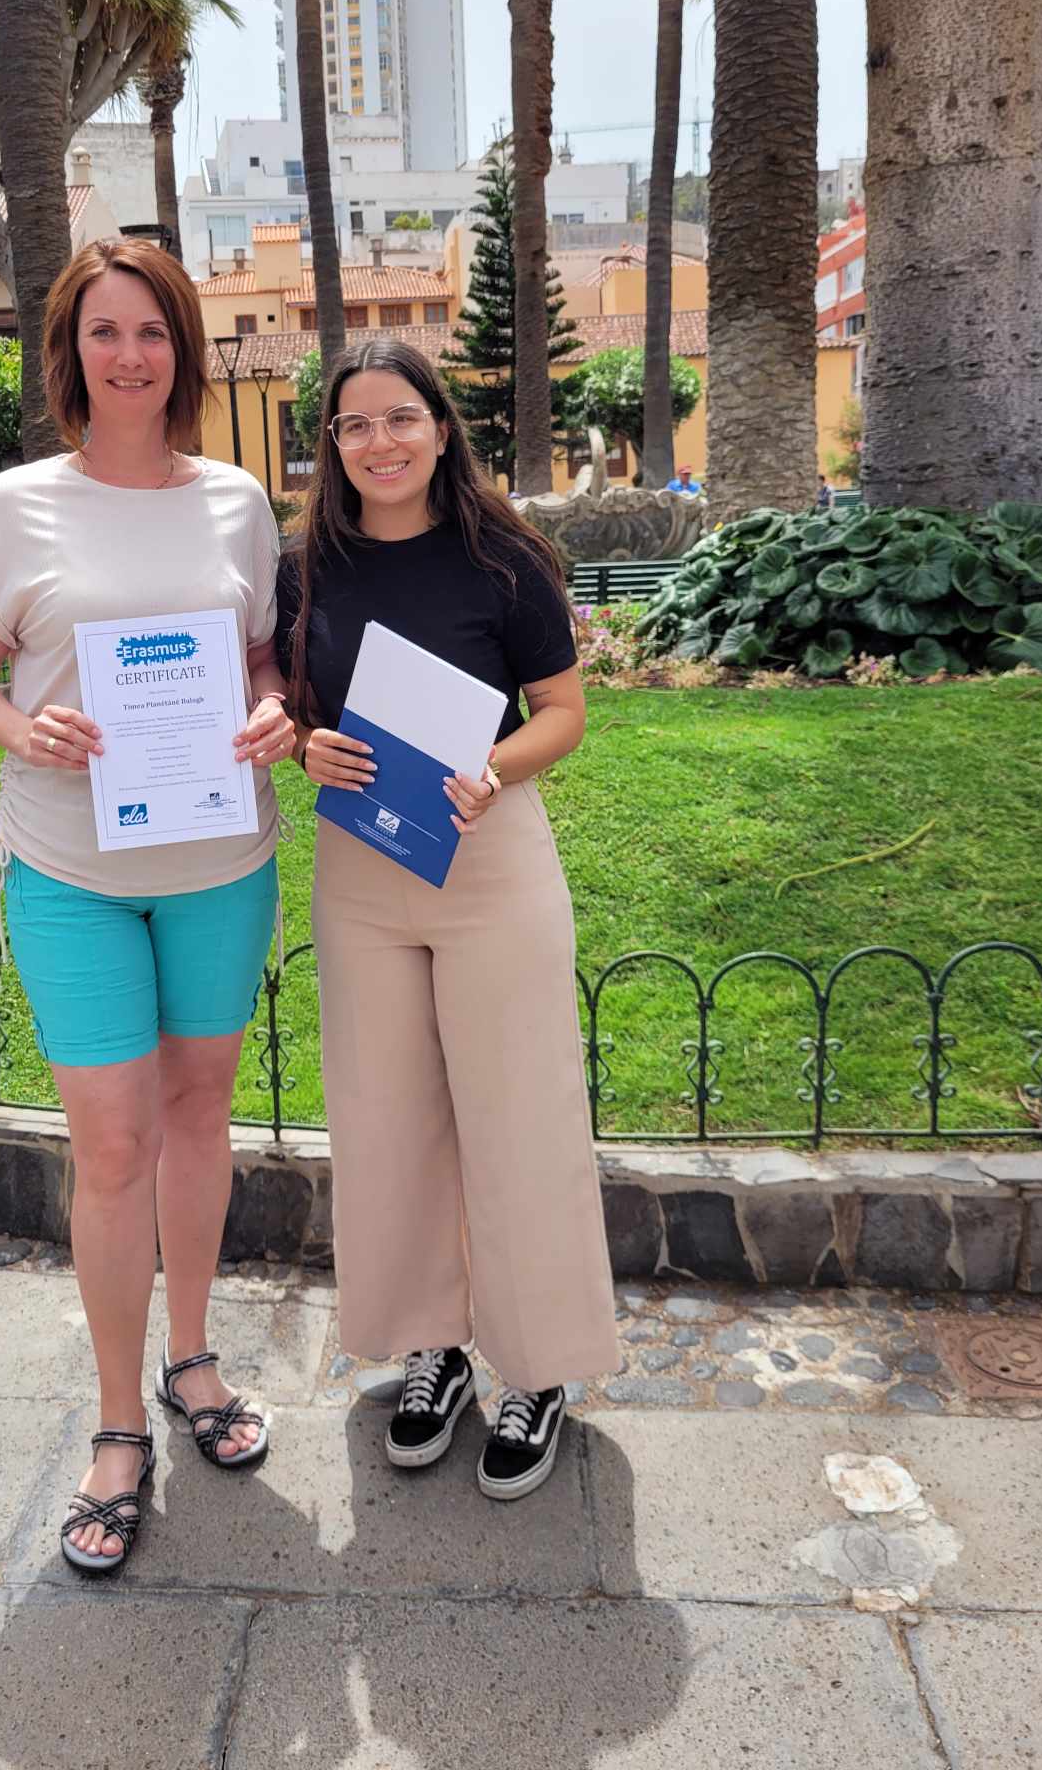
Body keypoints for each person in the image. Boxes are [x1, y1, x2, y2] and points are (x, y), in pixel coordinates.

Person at [0, 240, 297, 1575]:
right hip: (71, 871)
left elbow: (260, 656)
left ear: (181, 350)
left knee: (200, 1113)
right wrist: (20, 729)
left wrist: (273, 708)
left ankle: (190, 1361)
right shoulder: (17, 505)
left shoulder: (237, 503)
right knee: (111, 1144)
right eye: (105, 333)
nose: (130, 355)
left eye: (152, 332)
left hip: (219, 865)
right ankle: (116, 1424)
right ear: (70, 353)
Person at [276, 338, 619, 1502]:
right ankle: (433, 1350)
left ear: (438, 426)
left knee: (520, 1113)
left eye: (399, 418)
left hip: (487, 855)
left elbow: (563, 711)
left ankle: (539, 1369)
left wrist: (495, 766)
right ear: (332, 443)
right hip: (362, 865)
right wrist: (304, 741)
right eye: (354, 424)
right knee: (386, 1115)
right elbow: (288, 699)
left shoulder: (503, 558)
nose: (378, 442)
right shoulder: (305, 567)